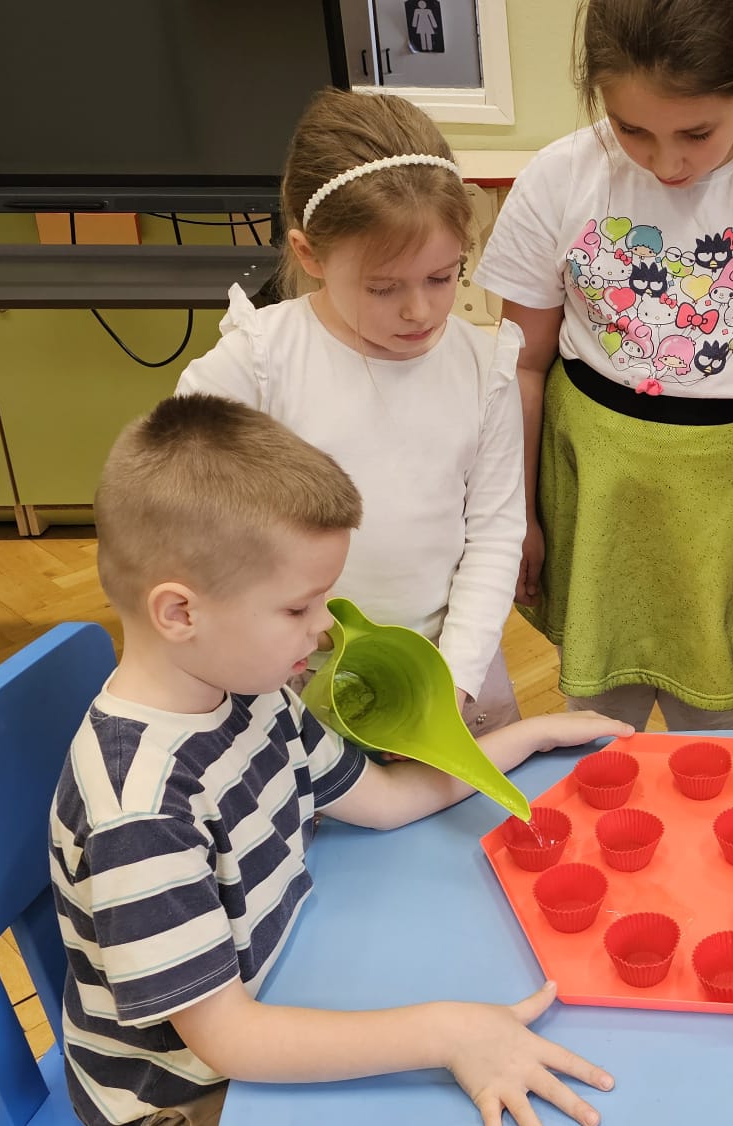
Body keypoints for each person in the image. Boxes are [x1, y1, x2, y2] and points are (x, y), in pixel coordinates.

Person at [52, 395, 628, 1126]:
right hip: (185, 1098)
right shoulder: (140, 810)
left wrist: (525, 739)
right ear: (180, 613)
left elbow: (383, 800)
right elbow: (229, 1041)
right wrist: (445, 1033)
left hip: (283, 988)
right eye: (299, 608)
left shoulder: (253, 691)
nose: (325, 628)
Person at [474, 0, 733, 730]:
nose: (666, 164)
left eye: (695, 133)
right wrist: (517, 514)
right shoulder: (559, 178)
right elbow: (521, 367)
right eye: (632, 130)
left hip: (730, 492)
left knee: (712, 720)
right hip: (598, 484)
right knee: (596, 718)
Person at [178, 90, 525, 735]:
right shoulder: (259, 360)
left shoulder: (485, 369)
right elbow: (180, 506)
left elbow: (495, 535)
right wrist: (267, 622)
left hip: (445, 667)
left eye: (443, 277)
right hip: (287, 675)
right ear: (309, 255)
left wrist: (453, 679)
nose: (420, 311)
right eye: (383, 288)